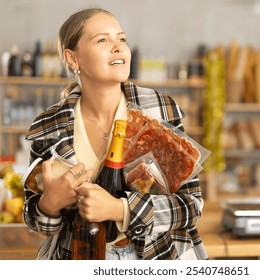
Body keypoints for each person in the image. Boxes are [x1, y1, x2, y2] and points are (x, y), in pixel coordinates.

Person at [22, 7, 208, 260]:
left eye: (121, 39)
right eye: (102, 40)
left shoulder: (158, 110)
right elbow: (38, 224)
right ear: (73, 59)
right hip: (79, 256)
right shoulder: (48, 125)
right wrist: (49, 204)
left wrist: (120, 209)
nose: (119, 47)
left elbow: (192, 206)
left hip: (157, 256)